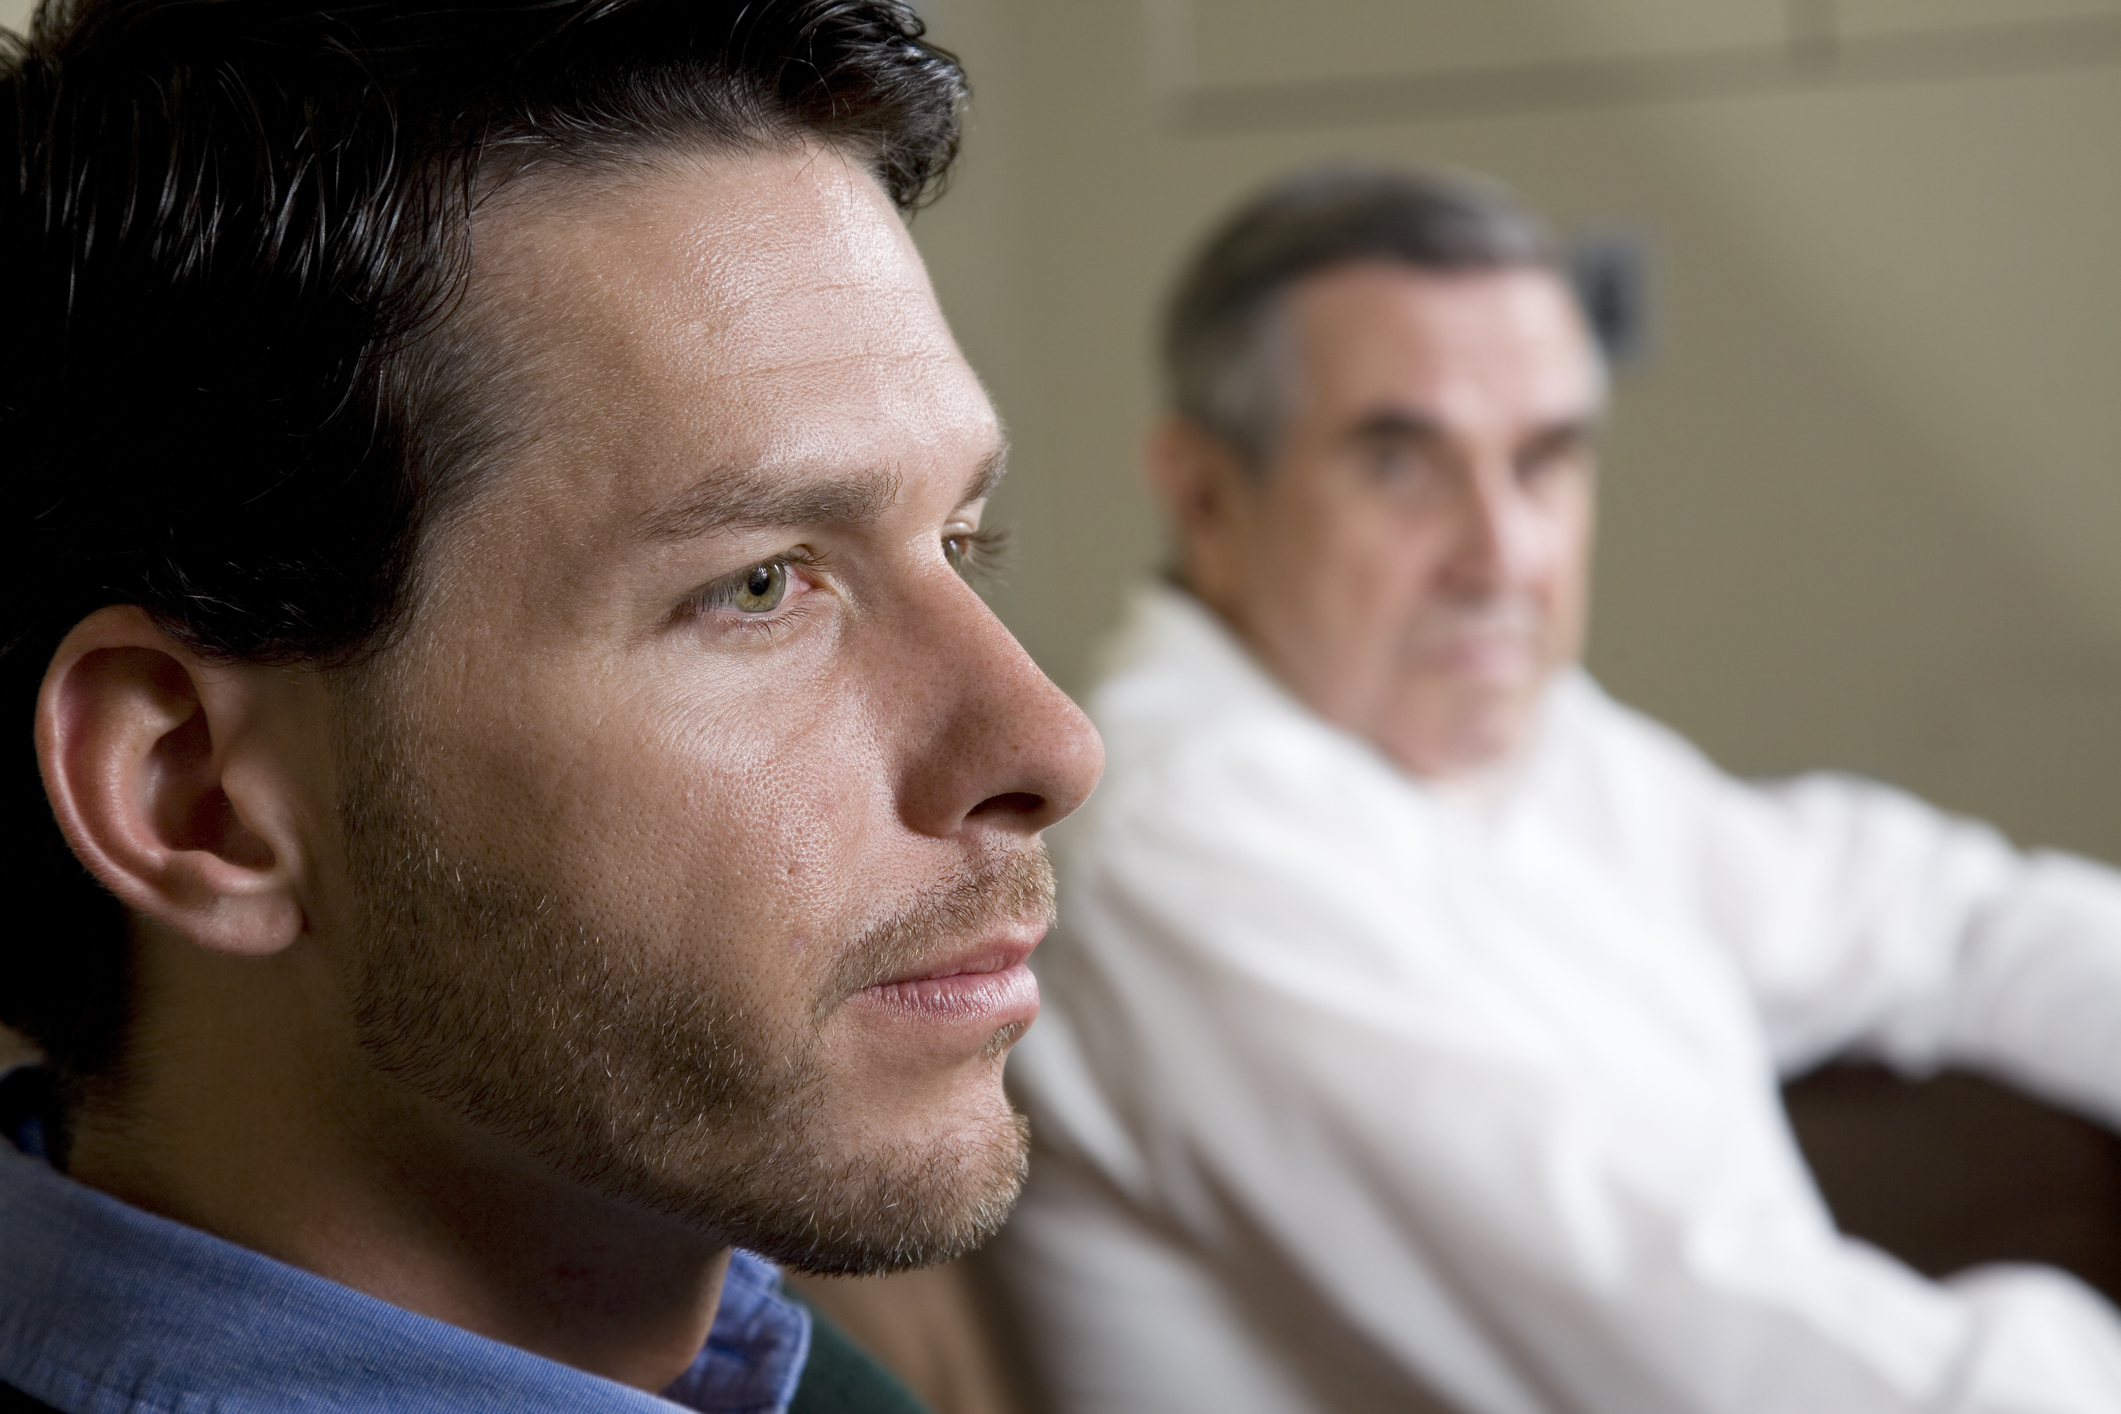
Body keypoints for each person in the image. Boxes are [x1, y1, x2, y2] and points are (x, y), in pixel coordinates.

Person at [0, 2, 1103, 1411]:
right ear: (194, 793)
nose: (1050, 743)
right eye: (761, 585)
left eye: (960, 540)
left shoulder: (785, 1370)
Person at [996, 166, 2121, 1412]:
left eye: (1544, 461)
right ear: (1207, 495)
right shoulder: (1191, 840)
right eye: (1401, 463)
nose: (1504, 557)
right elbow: (1710, 1355)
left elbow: (1942, 919)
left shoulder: (1496, 730)